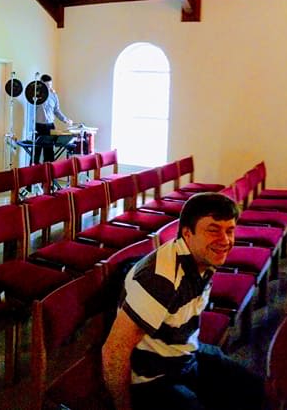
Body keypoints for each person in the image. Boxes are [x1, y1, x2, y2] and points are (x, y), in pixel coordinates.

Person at [102, 192, 261, 410]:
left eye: (230, 230)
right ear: (187, 233)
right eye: (213, 230)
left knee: (252, 389)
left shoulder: (204, 257)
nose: (225, 240)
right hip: (153, 377)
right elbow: (113, 351)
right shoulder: (160, 279)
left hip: (185, 353)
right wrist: (123, 407)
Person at [32, 74, 72, 163]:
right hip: (38, 126)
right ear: (41, 84)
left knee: (49, 153)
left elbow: (57, 110)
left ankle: (48, 171)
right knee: (36, 153)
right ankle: (34, 170)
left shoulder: (54, 96)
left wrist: (65, 119)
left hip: (50, 126)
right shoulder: (35, 95)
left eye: (50, 85)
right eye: (46, 85)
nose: (48, 87)